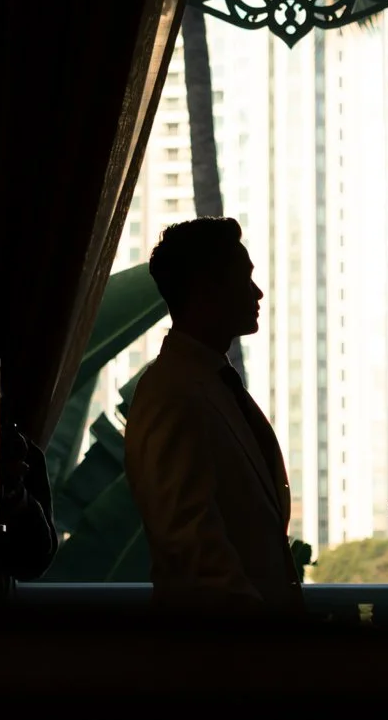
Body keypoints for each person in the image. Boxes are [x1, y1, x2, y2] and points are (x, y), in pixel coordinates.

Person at [124, 217, 304, 614]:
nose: (257, 292)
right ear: (207, 289)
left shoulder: (206, 384)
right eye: (244, 278)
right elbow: (189, 540)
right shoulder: (172, 393)